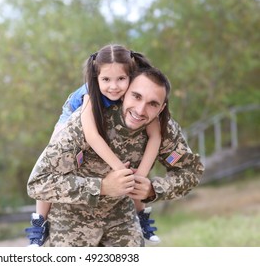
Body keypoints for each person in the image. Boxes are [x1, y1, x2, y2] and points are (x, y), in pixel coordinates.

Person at [27, 59, 204, 246]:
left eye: (152, 104)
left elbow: (190, 172)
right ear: (124, 94)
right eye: (136, 96)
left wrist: (153, 190)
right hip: (72, 218)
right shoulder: (86, 121)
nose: (140, 110)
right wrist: (102, 187)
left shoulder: (163, 130)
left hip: (121, 218)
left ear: (161, 108)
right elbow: (38, 182)